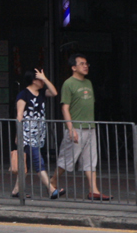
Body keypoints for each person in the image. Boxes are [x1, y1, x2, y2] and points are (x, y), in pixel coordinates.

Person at [48, 54, 111, 201]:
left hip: (90, 126)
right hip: (76, 127)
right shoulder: (68, 83)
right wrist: (71, 129)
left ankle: (93, 190)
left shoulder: (88, 82)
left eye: (86, 63)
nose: (85, 66)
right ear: (73, 67)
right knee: (67, 159)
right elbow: (65, 108)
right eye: (82, 63)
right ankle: (53, 181)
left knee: (91, 159)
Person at [11, 68, 60, 199]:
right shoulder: (23, 94)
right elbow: (19, 115)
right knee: (38, 161)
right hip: (27, 134)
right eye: (40, 79)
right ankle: (51, 189)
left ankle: (16, 190)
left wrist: (45, 79)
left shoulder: (42, 93)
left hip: (39, 134)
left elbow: (54, 92)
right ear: (33, 80)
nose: (42, 81)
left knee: (25, 163)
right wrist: (18, 134)